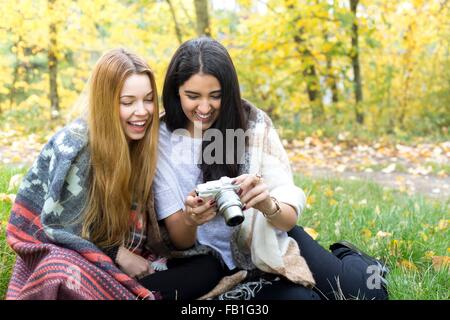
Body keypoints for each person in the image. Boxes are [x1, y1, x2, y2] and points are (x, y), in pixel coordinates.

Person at [153, 37, 389, 300]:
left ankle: (351, 256)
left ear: (228, 92)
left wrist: (266, 203)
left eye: (215, 96)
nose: (205, 108)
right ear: (175, 91)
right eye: (193, 96)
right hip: (205, 263)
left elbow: (288, 217)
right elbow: (180, 241)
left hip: (266, 241)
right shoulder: (160, 140)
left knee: (370, 294)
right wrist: (191, 219)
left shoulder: (253, 125)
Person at [6, 48, 221, 300]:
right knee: (59, 270)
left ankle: (127, 293)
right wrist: (117, 254)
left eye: (149, 99)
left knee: (207, 266)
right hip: (78, 260)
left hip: (124, 262)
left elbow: (150, 233)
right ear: (105, 102)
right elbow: (58, 226)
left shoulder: (141, 146)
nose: (142, 111)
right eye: (127, 102)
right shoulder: (75, 145)